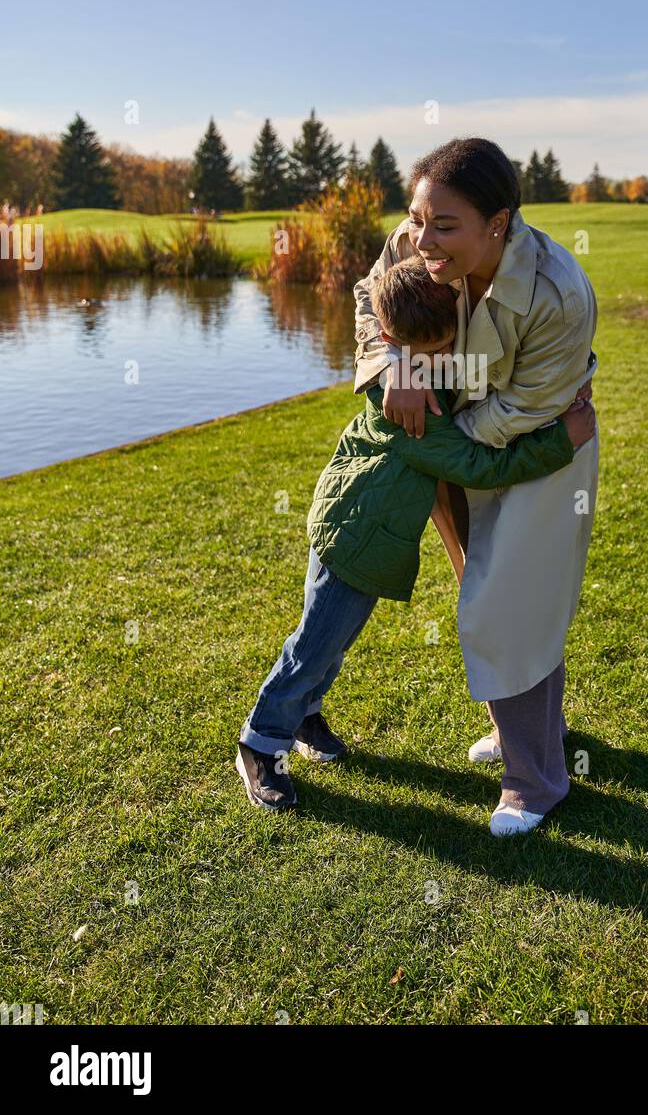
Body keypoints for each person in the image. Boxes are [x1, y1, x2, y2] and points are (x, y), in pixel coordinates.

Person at [236, 256, 596, 813]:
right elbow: (478, 467)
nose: (439, 362)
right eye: (426, 354)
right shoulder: (409, 405)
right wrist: (561, 441)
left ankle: (305, 717)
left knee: (333, 642)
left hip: (369, 533)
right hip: (354, 537)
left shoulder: (413, 371)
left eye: (446, 347)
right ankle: (261, 743)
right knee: (314, 644)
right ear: (390, 337)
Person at [353, 137, 599, 836]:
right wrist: (396, 363)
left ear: (499, 221)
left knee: (507, 606)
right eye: (417, 218)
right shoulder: (414, 241)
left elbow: (527, 409)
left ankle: (535, 783)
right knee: (486, 593)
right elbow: (372, 304)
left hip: (537, 454)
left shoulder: (558, 290)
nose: (422, 240)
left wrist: (438, 443)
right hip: (454, 454)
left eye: (444, 225)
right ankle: (527, 734)